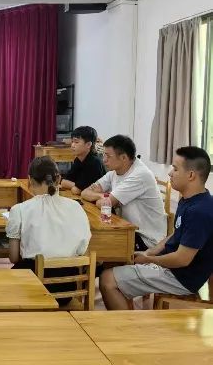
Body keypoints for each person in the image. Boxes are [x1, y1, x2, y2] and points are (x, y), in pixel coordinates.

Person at [100, 146, 213, 310]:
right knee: (117, 264)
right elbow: (176, 234)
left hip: (180, 278)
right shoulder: (191, 200)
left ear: (191, 175)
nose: (170, 173)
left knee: (107, 280)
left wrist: (149, 260)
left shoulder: (199, 211)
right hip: (173, 269)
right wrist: (150, 252)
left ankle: (127, 325)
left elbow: (182, 259)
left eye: (175, 168)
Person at [7, 156, 91, 304]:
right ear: (58, 179)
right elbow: (82, 250)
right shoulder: (76, 207)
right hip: (66, 289)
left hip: (32, 288)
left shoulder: (19, 210)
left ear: (30, 180)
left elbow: (14, 257)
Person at [81, 135, 166, 250]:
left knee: (94, 245)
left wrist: (104, 199)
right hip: (125, 228)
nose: (104, 160)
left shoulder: (140, 175)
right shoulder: (114, 172)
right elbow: (85, 193)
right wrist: (103, 196)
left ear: (124, 157)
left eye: (108, 156)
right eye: (103, 155)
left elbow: (103, 204)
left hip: (146, 240)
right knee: (88, 238)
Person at [60, 126, 106, 195]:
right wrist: (73, 185)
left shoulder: (94, 162)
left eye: (76, 142)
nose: (72, 145)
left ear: (88, 144)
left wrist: (71, 185)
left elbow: (76, 190)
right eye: (72, 141)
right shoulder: (78, 159)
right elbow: (65, 181)